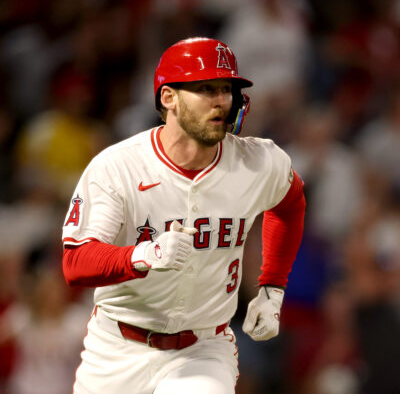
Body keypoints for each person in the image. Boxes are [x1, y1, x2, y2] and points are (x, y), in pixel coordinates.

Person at [62, 37, 306, 394]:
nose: (221, 100)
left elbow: (291, 204)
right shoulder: (118, 167)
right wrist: (144, 255)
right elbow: (76, 262)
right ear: (168, 97)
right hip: (116, 347)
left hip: (203, 350)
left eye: (227, 89)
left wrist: (273, 287)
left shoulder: (258, 162)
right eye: (206, 88)